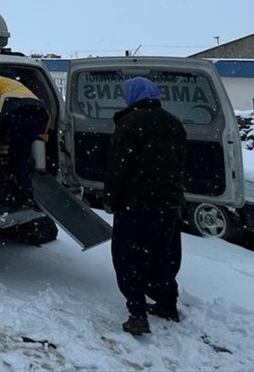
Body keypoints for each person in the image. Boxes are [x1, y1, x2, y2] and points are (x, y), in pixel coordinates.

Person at [103, 76, 187, 336]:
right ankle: (167, 303)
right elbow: (182, 161)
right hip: (168, 203)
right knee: (162, 256)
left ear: (132, 96)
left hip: (135, 205)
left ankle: (137, 314)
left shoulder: (129, 124)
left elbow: (119, 167)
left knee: (128, 258)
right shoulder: (173, 122)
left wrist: (111, 199)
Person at [0, 73, 51, 208]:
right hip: (39, 112)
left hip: (14, 111)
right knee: (20, 154)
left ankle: (7, 187)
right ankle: (27, 192)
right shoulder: (12, 83)